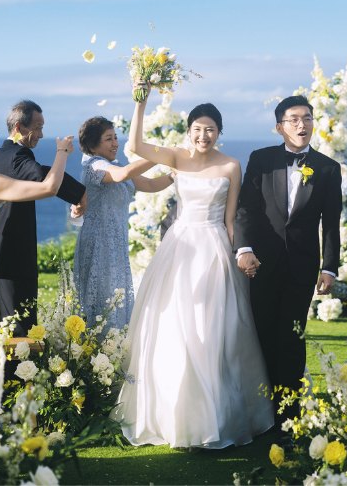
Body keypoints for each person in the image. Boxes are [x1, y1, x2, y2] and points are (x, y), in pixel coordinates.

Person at [115, 98, 273, 448]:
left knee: (215, 328)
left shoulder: (231, 165)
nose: (204, 135)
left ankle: (217, 415)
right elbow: (135, 146)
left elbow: (231, 220)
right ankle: (172, 415)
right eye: (198, 129)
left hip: (214, 247)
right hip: (180, 248)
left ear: (219, 133)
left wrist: (241, 253)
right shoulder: (175, 157)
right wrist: (140, 102)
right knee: (174, 325)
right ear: (189, 132)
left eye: (210, 130)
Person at [234, 96, 343, 433]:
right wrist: (244, 249)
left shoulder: (328, 168)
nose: (302, 125)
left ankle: (288, 416)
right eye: (294, 119)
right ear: (279, 126)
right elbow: (245, 209)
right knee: (263, 333)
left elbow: (332, 222)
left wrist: (329, 268)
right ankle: (261, 411)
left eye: (307, 118)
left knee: (293, 338)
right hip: (261, 264)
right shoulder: (261, 159)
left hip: (302, 266)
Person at [0, 100, 86, 332]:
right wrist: (79, 193)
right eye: (38, 127)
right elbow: (42, 176)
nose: (42, 134)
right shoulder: (17, 155)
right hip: (13, 260)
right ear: (20, 127)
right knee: (18, 332)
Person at [71, 116, 171, 331]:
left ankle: (113, 353)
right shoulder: (95, 166)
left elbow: (150, 184)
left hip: (115, 244)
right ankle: (98, 357)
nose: (116, 143)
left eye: (115, 137)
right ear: (92, 144)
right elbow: (123, 175)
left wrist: (174, 175)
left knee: (115, 300)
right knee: (102, 302)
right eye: (109, 139)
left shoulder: (113, 164)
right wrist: (161, 154)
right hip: (99, 244)